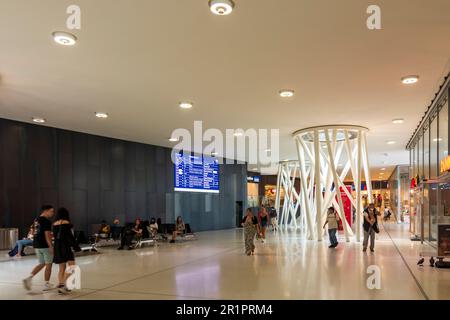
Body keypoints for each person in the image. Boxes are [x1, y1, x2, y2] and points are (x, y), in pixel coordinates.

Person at [23, 205, 55, 291]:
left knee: (42, 263)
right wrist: (50, 246)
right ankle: (46, 284)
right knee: (49, 264)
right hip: (44, 245)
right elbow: (47, 235)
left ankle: (29, 278)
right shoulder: (46, 221)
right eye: (51, 211)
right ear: (45, 211)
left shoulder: (36, 220)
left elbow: (32, 232)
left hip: (37, 245)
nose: (52, 213)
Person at [52, 207, 81, 294]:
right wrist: (76, 247)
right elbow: (70, 237)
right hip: (65, 246)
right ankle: (63, 284)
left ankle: (61, 285)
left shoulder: (54, 224)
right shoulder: (66, 223)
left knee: (61, 268)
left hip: (57, 246)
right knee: (72, 266)